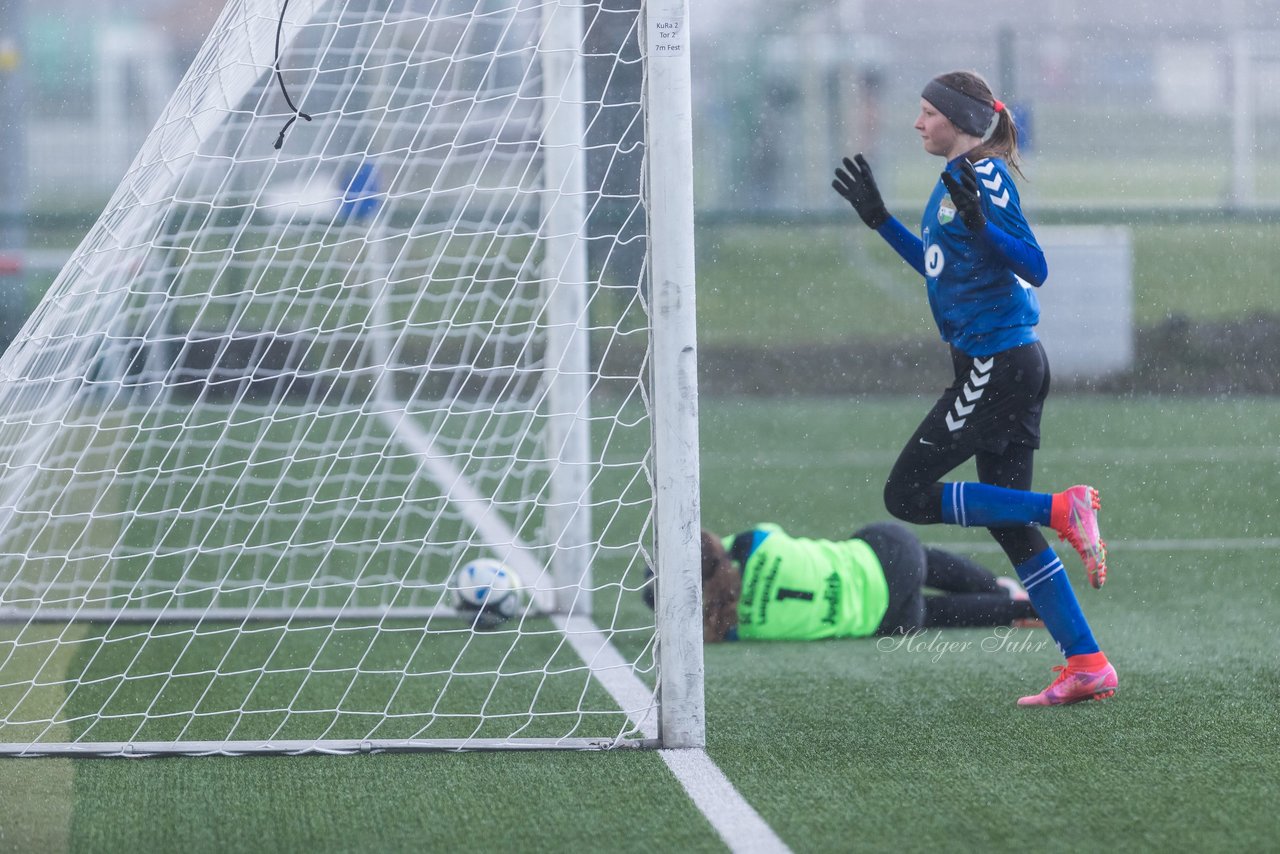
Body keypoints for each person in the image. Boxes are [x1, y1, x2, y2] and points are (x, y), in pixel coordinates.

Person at [829, 70, 1116, 706]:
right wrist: (880, 222)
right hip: (1001, 364)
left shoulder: (982, 177)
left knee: (905, 493)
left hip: (999, 363)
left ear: (958, 120)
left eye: (927, 112)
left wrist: (985, 225)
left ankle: (1064, 508)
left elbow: (1035, 265)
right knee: (1008, 526)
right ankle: (1087, 663)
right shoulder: (955, 182)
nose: (917, 123)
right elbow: (941, 266)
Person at [645, 523, 1041, 644]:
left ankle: (1023, 611)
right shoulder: (755, 543)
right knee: (924, 561)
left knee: (933, 614)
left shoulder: (731, 631)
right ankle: (1001, 589)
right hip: (888, 561)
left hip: (883, 621)